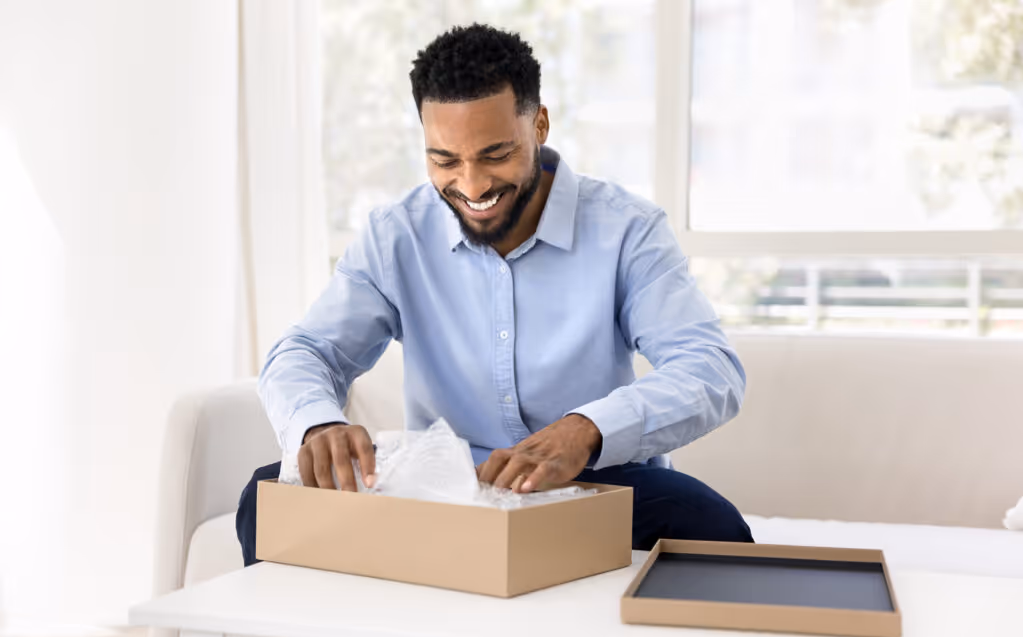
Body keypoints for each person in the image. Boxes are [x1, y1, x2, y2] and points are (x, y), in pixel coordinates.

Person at [237, 23, 752, 566]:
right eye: (445, 160)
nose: (473, 184)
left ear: (540, 125)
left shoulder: (627, 231)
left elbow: (709, 370)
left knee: (709, 523)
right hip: (442, 491)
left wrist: (588, 430)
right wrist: (319, 423)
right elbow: (305, 352)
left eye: (495, 154)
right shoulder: (396, 236)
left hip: (592, 482)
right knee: (264, 499)